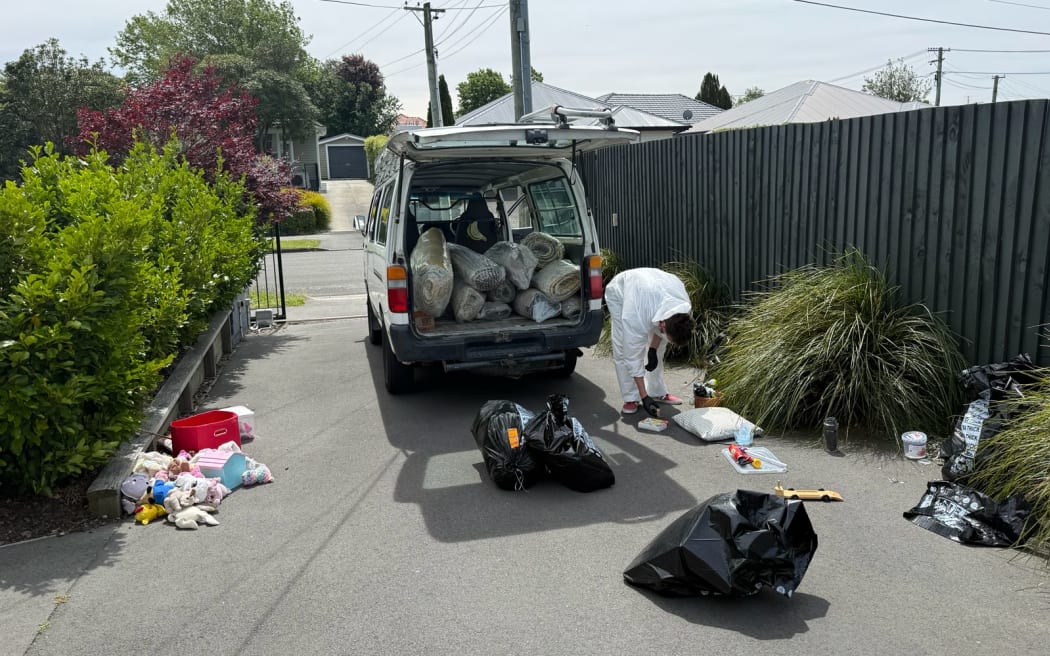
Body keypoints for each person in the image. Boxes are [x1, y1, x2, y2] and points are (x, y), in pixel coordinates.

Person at [604, 268, 695, 417]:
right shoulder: (634, 315)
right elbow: (632, 355)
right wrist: (644, 397)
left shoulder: (682, 307)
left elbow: (660, 326)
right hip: (622, 292)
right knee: (622, 348)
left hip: (654, 289)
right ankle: (631, 398)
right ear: (663, 325)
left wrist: (652, 349)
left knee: (659, 350)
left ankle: (657, 392)